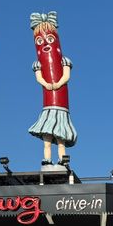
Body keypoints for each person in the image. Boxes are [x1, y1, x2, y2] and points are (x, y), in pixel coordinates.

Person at [28, 11, 77, 171]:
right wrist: (47, 84)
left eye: (49, 39)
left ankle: (62, 160)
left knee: (60, 137)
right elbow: (39, 78)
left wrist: (57, 83)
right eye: (40, 41)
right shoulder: (39, 62)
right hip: (48, 106)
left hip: (60, 105)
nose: (45, 44)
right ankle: (47, 160)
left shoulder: (63, 60)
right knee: (47, 139)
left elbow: (66, 76)